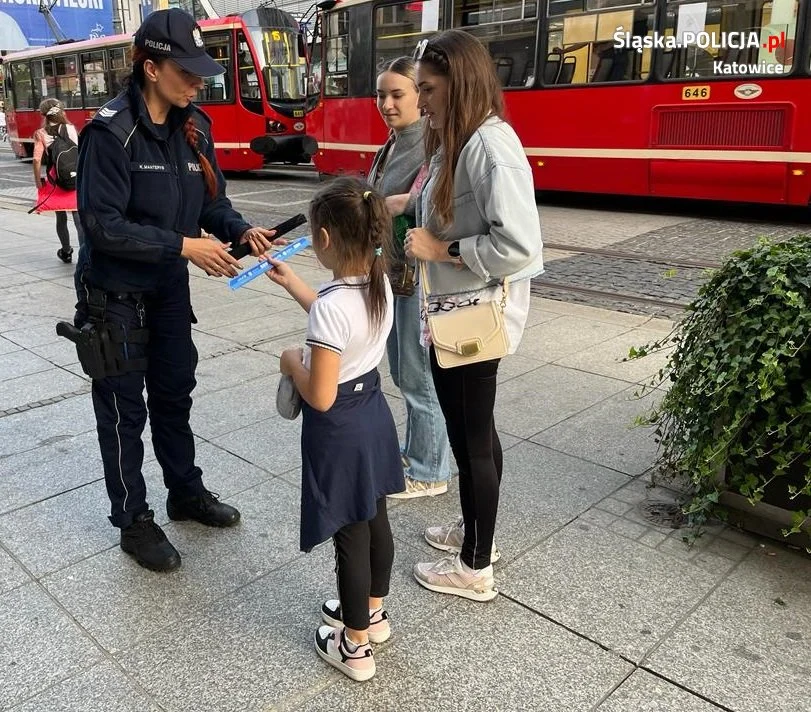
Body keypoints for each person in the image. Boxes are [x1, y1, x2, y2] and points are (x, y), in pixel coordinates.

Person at [72, 8, 282, 573]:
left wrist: (239, 229)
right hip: (113, 297)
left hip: (166, 291)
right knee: (123, 413)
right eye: (186, 71)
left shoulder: (196, 127)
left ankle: (184, 494)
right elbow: (102, 226)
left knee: (174, 396)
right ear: (150, 67)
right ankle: (134, 521)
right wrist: (185, 247)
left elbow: (210, 201)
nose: (198, 81)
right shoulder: (110, 132)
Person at [403, 30, 544, 601]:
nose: (421, 101)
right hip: (454, 312)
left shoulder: (489, 146)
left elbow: (521, 246)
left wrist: (443, 252)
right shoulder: (457, 140)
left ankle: (475, 566)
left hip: (475, 317)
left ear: (459, 84)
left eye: (429, 90)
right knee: (472, 432)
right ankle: (474, 529)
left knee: (473, 440)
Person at [270, 177, 404, 682]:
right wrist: (293, 285)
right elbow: (340, 327)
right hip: (372, 411)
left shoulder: (332, 308)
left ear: (323, 240)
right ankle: (373, 613)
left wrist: (289, 362)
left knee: (349, 534)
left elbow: (320, 393)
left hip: (340, 427)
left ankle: (353, 647)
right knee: (375, 518)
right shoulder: (378, 282)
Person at [368, 56, 450, 499]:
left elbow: (440, 205)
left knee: (418, 379)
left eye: (397, 94)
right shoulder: (397, 141)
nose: (386, 103)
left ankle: (430, 470)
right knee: (403, 372)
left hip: (416, 279)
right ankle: (417, 451)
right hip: (395, 273)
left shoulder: (430, 145)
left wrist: (401, 203)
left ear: (421, 95)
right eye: (381, 94)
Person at [32, 99, 83, 263]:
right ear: (61, 112)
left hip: (56, 181)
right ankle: (85, 254)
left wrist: (38, 182)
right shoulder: (70, 128)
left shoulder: (41, 133)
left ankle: (66, 251)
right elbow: (78, 152)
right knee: (78, 217)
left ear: (43, 115)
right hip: (75, 177)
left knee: (60, 217)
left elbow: (36, 160)